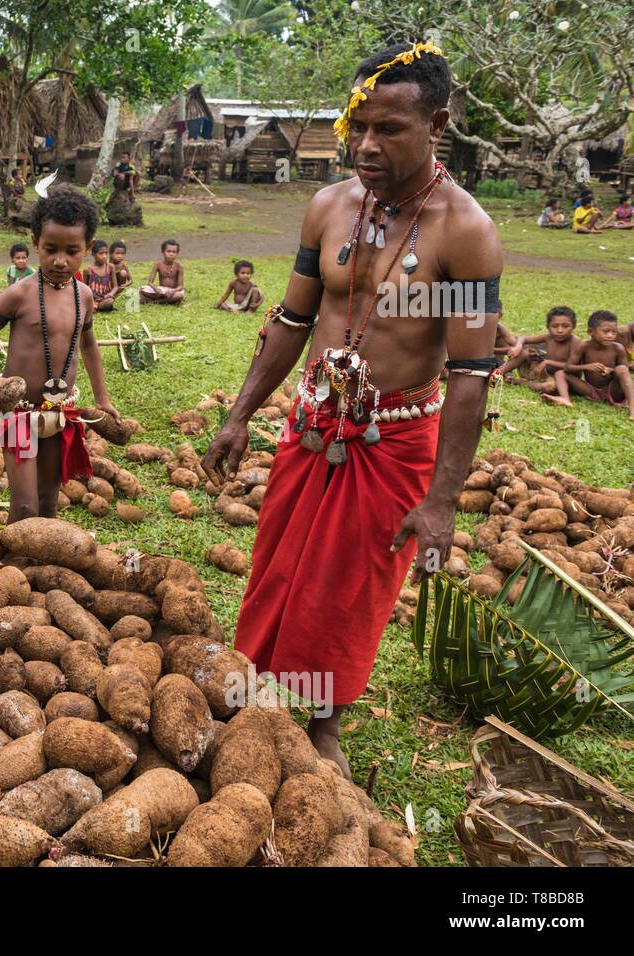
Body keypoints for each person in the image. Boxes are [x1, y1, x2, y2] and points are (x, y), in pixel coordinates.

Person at [201, 40, 503, 777]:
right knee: (279, 558)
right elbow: (293, 320)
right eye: (357, 125)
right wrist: (240, 414)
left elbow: (470, 372)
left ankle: (325, 717)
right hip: (312, 423)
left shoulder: (463, 233)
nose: (365, 144)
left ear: (438, 122)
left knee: (352, 584)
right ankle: (255, 686)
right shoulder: (329, 206)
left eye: (389, 130)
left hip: (395, 437)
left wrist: (443, 501)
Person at [0, 186, 121, 523]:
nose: (60, 260)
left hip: (60, 413)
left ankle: (41, 572)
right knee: (24, 507)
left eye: (72, 251)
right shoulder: (18, 293)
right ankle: (14, 573)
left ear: (88, 249)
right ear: (35, 242)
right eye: (50, 249)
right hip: (20, 415)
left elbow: (89, 345)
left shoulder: (85, 296)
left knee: (49, 502)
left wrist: (103, 398)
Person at [545, 310, 634, 418]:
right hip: (591, 390)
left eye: (614, 332)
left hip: (613, 390)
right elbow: (568, 367)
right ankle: (565, 399)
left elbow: (624, 370)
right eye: (606, 332)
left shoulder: (617, 348)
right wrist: (587, 367)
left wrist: (610, 371)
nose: (610, 336)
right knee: (560, 373)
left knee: (621, 369)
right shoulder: (584, 346)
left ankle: (632, 409)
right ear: (590, 332)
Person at [499, 305, 577, 388]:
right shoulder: (548, 337)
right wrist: (518, 347)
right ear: (547, 326)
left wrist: (547, 362)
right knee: (526, 352)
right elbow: (523, 338)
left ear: (574, 326)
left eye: (565, 326)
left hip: (562, 379)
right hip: (543, 372)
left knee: (549, 387)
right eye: (554, 326)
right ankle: (497, 374)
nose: (560, 330)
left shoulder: (575, 342)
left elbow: (572, 367)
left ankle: (520, 382)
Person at [140, 239, 185, 304]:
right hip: (161, 290)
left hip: (173, 291)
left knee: (179, 296)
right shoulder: (158, 264)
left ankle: (154, 302)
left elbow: (180, 286)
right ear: (163, 252)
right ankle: (167, 299)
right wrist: (156, 290)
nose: (171, 254)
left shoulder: (179, 266)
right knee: (142, 290)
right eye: (168, 251)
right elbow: (150, 282)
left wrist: (172, 291)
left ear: (177, 254)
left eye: (174, 252)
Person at [83, 240, 118, 312]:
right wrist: (91, 301)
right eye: (101, 253)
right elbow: (84, 288)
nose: (104, 256)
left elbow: (115, 286)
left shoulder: (110, 267)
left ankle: (98, 307)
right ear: (93, 254)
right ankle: (94, 306)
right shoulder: (88, 270)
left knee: (109, 302)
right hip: (92, 299)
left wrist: (111, 293)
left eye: (106, 253)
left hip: (106, 298)